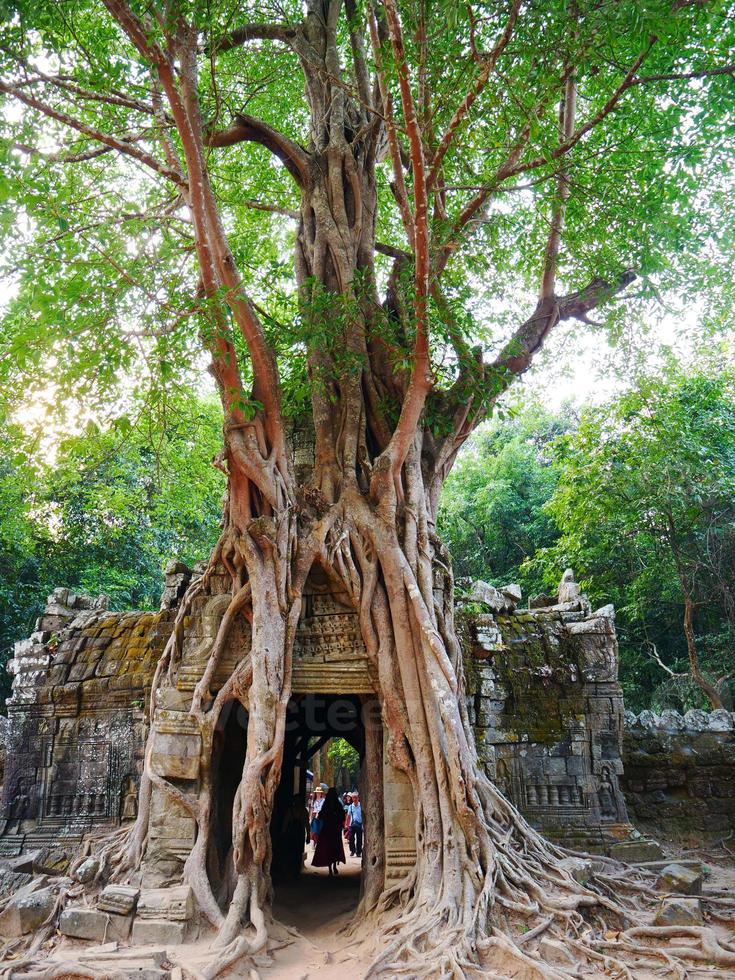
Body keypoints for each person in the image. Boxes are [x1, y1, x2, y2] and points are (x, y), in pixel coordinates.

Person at [312, 787, 346, 876]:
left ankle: (331, 868)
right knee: (334, 848)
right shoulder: (336, 804)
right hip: (333, 830)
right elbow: (342, 816)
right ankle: (333, 867)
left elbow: (320, 815)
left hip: (329, 830)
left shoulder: (328, 804)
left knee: (329, 849)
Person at [347, 790, 363, 858]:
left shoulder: (361, 806)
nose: (354, 799)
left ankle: (358, 852)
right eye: (353, 797)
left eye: (356, 797)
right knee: (351, 838)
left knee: (359, 839)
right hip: (352, 824)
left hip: (359, 824)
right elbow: (348, 816)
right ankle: (352, 850)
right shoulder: (350, 806)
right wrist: (346, 824)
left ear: (358, 798)